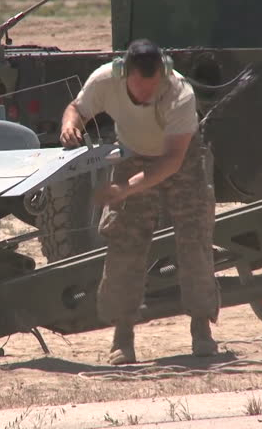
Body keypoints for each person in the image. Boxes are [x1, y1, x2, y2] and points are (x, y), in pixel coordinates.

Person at [59, 38, 220, 365]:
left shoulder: (179, 93)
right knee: (124, 242)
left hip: (181, 159)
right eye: (138, 87)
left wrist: (125, 189)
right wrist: (70, 126)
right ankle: (123, 336)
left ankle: (201, 328)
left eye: (152, 87)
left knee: (195, 240)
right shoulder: (105, 80)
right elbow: (77, 108)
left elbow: (172, 161)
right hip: (133, 154)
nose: (146, 94)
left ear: (163, 74)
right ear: (124, 74)